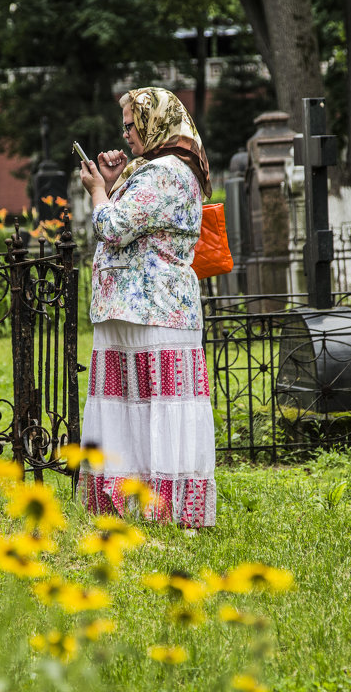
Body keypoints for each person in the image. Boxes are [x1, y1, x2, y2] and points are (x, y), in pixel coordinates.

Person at [77, 87, 216, 529]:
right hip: (139, 311)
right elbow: (140, 224)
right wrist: (116, 182)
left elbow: (114, 227)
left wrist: (98, 191)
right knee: (134, 408)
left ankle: (164, 510)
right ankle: (134, 505)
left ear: (156, 123)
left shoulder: (167, 172)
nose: (125, 134)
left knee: (158, 407)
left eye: (132, 125)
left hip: (155, 310)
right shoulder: (155, 171)